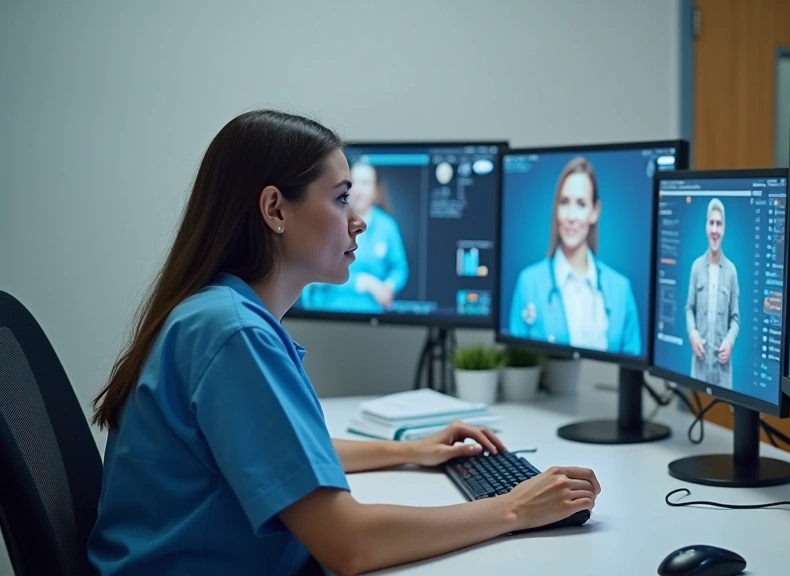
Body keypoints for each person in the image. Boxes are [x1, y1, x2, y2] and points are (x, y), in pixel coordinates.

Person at [87, 110, 600, 576]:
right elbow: (349, 546)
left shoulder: (217, 312)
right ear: (275, 209)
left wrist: (408, 451)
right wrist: (513, 508)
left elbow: (276, 452)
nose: (360, 219)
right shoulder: (232, 333)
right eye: (340, 199)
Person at [507, 157, 641, 355]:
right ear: (556, 209)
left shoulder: (621, 289)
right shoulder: (529, 283)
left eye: (581, 204)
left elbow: (633, 370)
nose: (571, 216)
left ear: (594, 212)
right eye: (564, 202)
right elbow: (518, 367)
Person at [298, 160, 409, 313]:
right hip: (329, 312)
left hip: (373, 313)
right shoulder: (329, 220)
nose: (358, 190)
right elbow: (313, 271)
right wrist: (364, 283)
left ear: (376, 190)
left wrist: (388, 287)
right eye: (354, 183)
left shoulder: (387, 226)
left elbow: (400, 267)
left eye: (365, 183)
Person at [685, 198, 739, 389]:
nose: (715, 230)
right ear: (706, 226)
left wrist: (729, 341)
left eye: (719, 224)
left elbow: (735, 319)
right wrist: (692, 334)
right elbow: (689, 308)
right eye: (712, 223)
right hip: (698, 371)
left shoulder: (731, 271)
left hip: (722, 375)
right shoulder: (696, 268)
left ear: (724, 228)